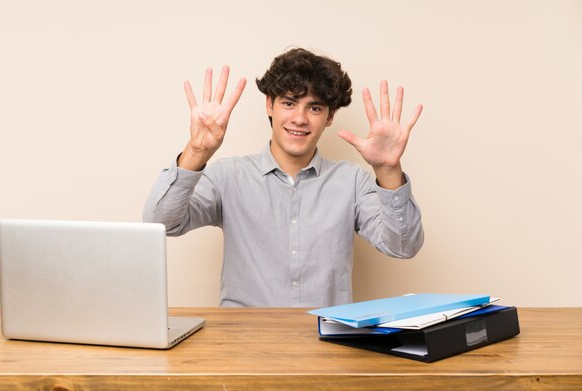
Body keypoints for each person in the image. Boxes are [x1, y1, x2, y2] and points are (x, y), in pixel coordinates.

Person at [143, 48, 424, 307]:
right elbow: (161, 223)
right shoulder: (227, 176)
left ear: (329, 117)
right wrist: (195, 152)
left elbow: (403, 246)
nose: (300, 118)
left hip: (326, 346)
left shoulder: (351, 182)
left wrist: (388, 171)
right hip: (243, 347)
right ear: (270, 105)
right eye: (289, 103)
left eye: (314, 108)